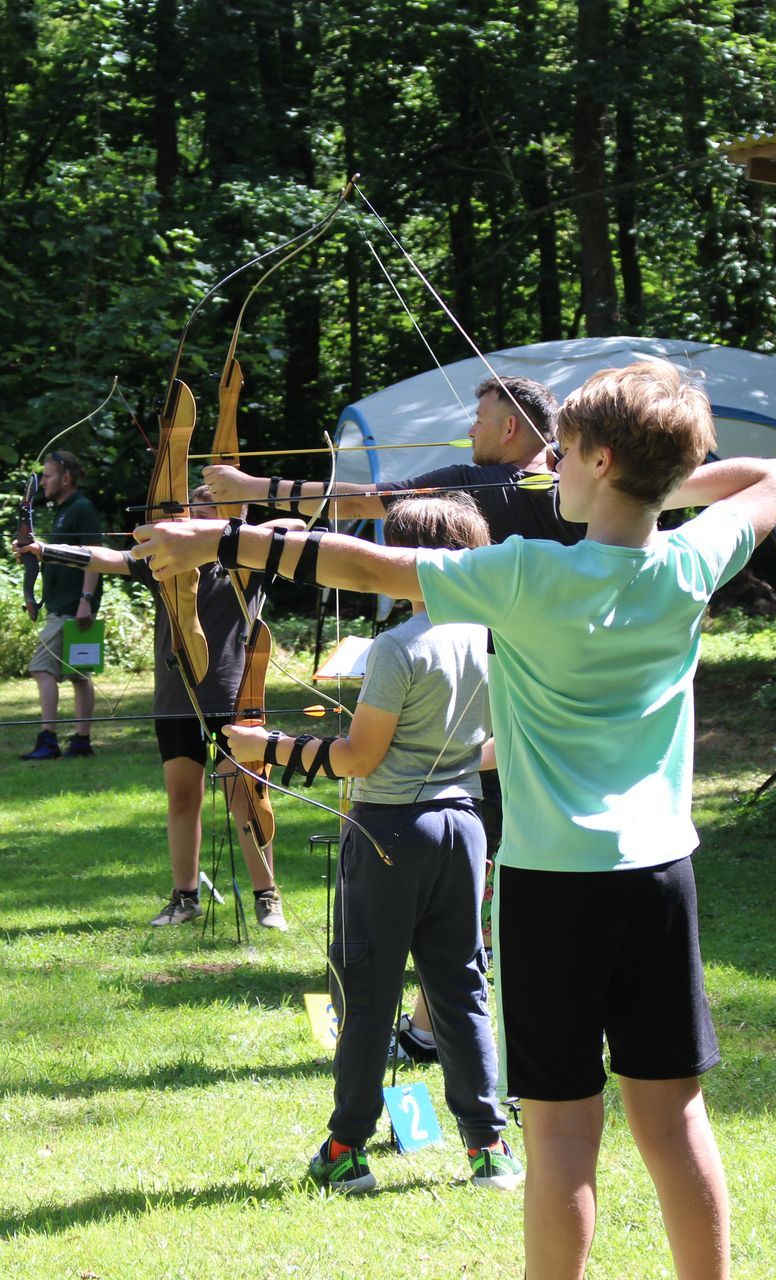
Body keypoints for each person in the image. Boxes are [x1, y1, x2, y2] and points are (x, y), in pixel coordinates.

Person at [133, 359, 776, 1280]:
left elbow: (369, 561)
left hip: (555, 885)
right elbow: (775, 477)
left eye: (562, 454)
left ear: (600, 460)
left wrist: (224, 541)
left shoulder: (526, 574)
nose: (548, 467)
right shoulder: (688, 560)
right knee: (673, 1114)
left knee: (563, 1127)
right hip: (660, 878)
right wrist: (656, 480)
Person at [218, 493, 520, 1195]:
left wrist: (270, 747)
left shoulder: (397, 647)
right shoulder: (491, 641)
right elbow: (498, 746)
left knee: (366, 991)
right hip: (464, 828)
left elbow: (358, 758)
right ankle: (489, 1150)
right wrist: (438, 763)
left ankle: (347, 1148)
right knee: (462, 984)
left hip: (390, 831)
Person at [22, 487, 295, 929]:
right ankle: (185, 898)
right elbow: (107, 558)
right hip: (177, 697)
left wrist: (229, 529)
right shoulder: (166, 562)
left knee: (247, 800)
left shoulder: (251, 558)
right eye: (196, 513)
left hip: (236, 695)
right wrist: (46, 550)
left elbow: (295, 528)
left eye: (214, 514)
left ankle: (268, 897)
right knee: (181, 798)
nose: (194, 522)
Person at [200, 374, 580, 544]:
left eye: (479, 421)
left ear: (509, 428)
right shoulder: (585, 484)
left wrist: (252, 488)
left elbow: (355, 502)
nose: (470, 432)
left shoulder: (472, 483)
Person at [19, 451, 104, 761]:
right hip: (65, 604)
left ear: (66, 478)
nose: (42, 483)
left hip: (72, 606)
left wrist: (85, 601)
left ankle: (49, 740)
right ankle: (81, 742)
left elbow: (95, 556)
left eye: (48, 476)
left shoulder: (81, 509)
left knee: (41, 668)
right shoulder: (64, 510)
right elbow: (67, 553)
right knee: (80, 675)